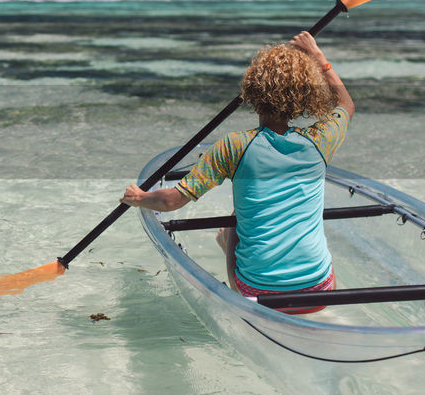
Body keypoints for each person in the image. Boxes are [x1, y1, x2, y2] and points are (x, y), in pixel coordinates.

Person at [120, 31, 353, 314]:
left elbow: (170, 201)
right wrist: (319, 58)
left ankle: (225, 241)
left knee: (234, 220)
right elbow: (346, 105)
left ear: (252, 91)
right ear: (305, 96)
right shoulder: (320, 141)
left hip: (256, 292)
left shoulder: (234, 146)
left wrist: (139, 197)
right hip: (320, 293)